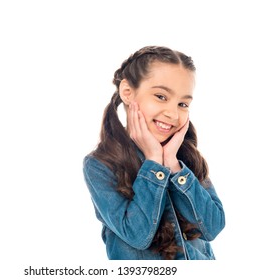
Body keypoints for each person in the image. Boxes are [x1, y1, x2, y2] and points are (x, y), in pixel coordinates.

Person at [82, 46, 225, 260]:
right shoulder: (100, 165)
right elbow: (138, 236)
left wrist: (172, 164)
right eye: (161, 96)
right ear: (128, 93)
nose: (173, 113)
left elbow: (212, 228)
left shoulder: (184, 158)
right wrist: (154, 164)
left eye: (183, 104)